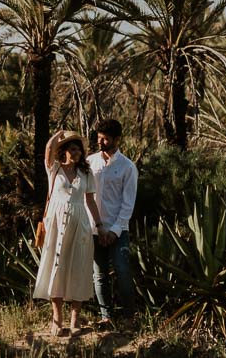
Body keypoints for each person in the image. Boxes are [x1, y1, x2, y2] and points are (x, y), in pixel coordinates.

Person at [33, 130, 104, 337]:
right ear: (64, 151)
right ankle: (57, 320)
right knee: (57, 268)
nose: (77, 153)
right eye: (72, 149)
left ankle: (75, 319)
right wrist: (57, 135)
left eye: (78, 149)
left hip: (80, 223)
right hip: (56, 223)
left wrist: (99, 225)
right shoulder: (54, 169)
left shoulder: (86, 172)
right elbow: (47, 149)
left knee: (79, 269)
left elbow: (90, 200)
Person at [87, 118, 137, 329]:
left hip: (118, 230)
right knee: (99, 275)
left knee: (122, 271)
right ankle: (106, 317)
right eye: (99, 138)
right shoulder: (90, 162)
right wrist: (98, 228)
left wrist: (114, 231)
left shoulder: (127, 167)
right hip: (94, 228)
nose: (101, 142)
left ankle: (129, 317)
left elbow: (128, 203)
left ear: (117, 139)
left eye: (106, 139)